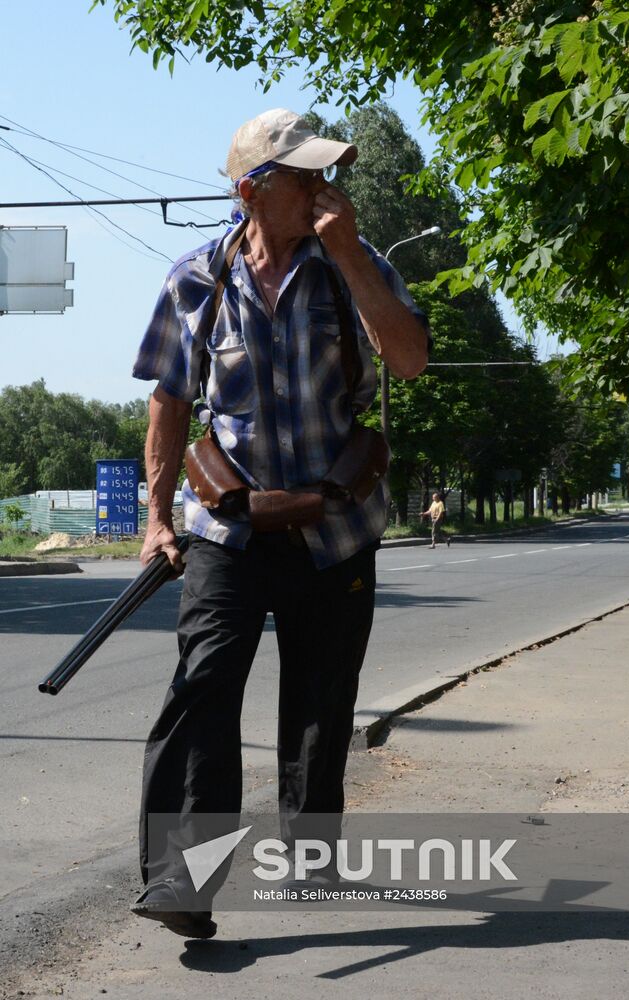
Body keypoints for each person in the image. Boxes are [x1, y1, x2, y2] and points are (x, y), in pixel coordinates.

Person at [128, 108, 429, 938]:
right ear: (253, 191)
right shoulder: (196, 278)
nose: (324, 191)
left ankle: (309, 853)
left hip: (336, 529)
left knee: (320, 707)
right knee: (202, 693)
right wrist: (157, 520)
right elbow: (168, 399)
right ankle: (181, 882)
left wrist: (349, 255)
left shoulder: (352, 267)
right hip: (228, 532)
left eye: (326, 175)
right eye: (306, 178)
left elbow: (407, 358)